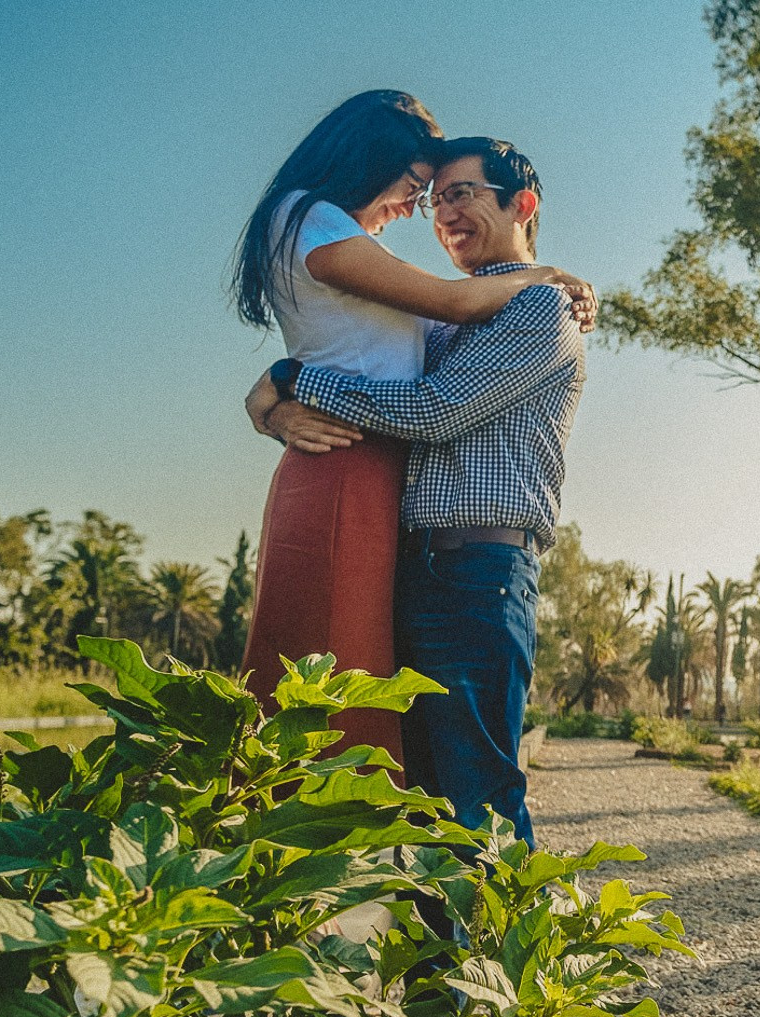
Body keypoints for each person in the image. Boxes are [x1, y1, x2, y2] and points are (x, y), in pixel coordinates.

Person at [231, 92, 592, 765]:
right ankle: (296, 857)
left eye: (446, 193)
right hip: (347, 470)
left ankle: (364, 861)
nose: (419, 208)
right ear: (372, 159)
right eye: (419, 190)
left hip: (394, 497)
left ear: (521, 205)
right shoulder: (311, 218)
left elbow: (427, 375)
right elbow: (450, 309)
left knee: (365, 701)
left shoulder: (365, 253)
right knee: (329, 692)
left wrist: (283, 384)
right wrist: (549, 272)